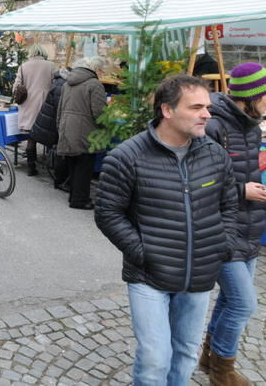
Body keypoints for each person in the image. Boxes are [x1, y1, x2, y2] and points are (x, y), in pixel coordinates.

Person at [95, 74, 239, 385]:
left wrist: (220, 246)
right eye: (196, 107)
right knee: (154, 358)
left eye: (207, 106)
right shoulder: (127, 157)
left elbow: (229, 206)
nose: (207, 114)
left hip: (199, 275)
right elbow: (107, 212)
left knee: (185, 352)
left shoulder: (214, 154)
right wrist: (143, 252)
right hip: (150, 276)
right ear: (167, 111)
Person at [200, 63, 266, 384]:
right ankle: (222, 372)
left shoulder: (252, 127)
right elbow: (199, 183)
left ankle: (209, 357)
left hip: (249, 229)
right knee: (243, 304)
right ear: (250, 96)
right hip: (221, 232)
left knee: (230, 299)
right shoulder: (214, 126)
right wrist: (243, 190)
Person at [56, 56, 106, 210]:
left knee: (74, 165)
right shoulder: (94, 84)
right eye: (101, 70)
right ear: (96, 69)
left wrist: (60, 126)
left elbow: (60, 108)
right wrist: (106, 125)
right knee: (84, 167)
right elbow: (100, 113)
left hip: (67, 127)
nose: (102, 73)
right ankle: (80, 200)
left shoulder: (67, 83)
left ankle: (74, 195)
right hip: (85, 131)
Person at [13, 45, 55, 176]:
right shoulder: (51, 66)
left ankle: (31, 167)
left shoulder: (24, 66)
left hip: (28, 104)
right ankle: (51, 164)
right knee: (49, 134)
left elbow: (16, 87)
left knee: (31, 137)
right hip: (46, 104)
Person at [30, 67, 71, 190]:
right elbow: (60, 108)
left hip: (47, 122)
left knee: (56, 150)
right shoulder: (61, 85)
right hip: (52, 124)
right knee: (59, 151)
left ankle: (34, 167)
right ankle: (59, 180)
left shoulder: (57, 83)